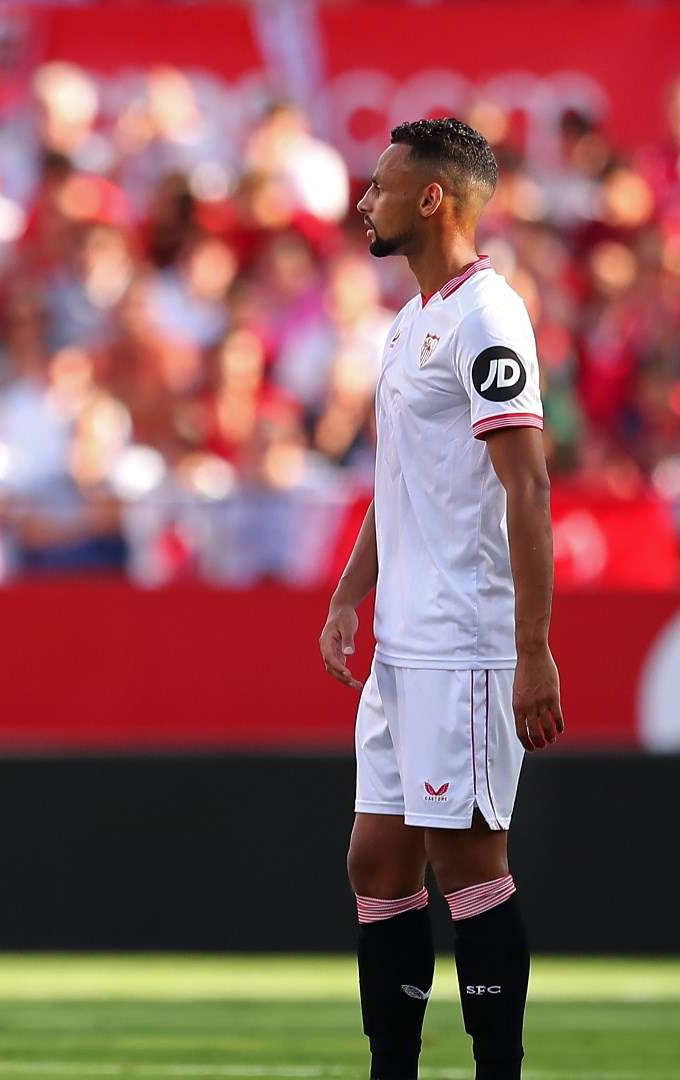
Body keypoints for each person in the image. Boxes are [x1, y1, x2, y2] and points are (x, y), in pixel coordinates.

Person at [319, 118, 562, 1080]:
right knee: (376, 863)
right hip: (400, 642)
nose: (362, 202)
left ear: (432, 198)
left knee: (470, 867)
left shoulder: (488, 321)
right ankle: (396, 1071)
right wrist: (349, 593)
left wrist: (533, 647)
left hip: (465, 641)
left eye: (380, 186)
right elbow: (403, 482)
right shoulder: (411, 320)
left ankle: (497, 1070)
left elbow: (529, 487)